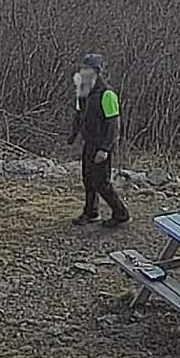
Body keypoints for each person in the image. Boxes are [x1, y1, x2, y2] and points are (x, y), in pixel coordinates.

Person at [67, 52, 129, 227]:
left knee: (101, 183)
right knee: (88, 179)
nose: (84, 71)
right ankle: (91, 213)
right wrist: (73, 136)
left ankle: (121, 214)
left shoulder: (107, 94)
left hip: (102, 144)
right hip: (89, 143)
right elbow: (79, 115)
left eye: (89, 68)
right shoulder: (83, 91)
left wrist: (105, 148)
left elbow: (113, 125)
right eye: (83, 68)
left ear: (97, 71)